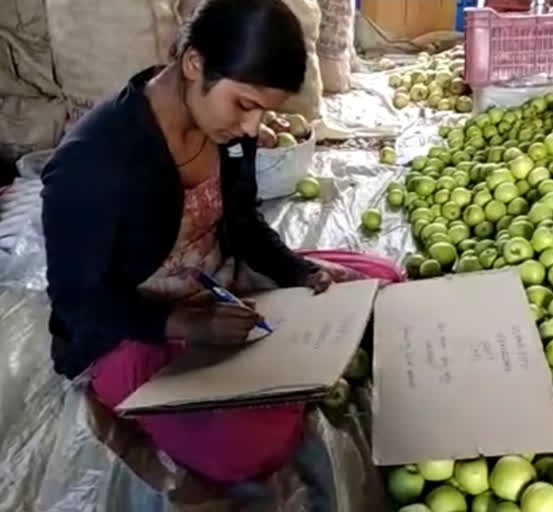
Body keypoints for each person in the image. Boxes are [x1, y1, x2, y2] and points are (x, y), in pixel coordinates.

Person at [40, 0, 347, 493]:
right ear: (193, 63)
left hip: (218, 288)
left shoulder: (225, 132)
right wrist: (183, 323)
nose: (252, 128)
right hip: (131, 328)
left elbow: (243, 223)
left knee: (372, 278)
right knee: (249, 449)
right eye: (245, 104)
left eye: (263, 110)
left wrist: (296, 270)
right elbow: (79, 302)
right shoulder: (94, 164)